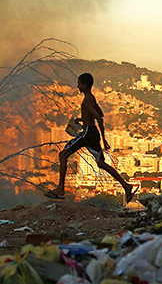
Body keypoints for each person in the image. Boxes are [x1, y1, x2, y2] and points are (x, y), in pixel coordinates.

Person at [44, 73, 138, 202]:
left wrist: (104, 139)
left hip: (88, 132)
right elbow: (100, 113)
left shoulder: (87, 100)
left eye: (79, 83)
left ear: (85, 85)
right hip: (92, 132)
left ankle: (60, 189)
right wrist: (84, 118)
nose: (78, 86)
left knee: (63, 154)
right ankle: (126, 186)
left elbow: (99, 118)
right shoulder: (92, 98)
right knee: (101, 163)